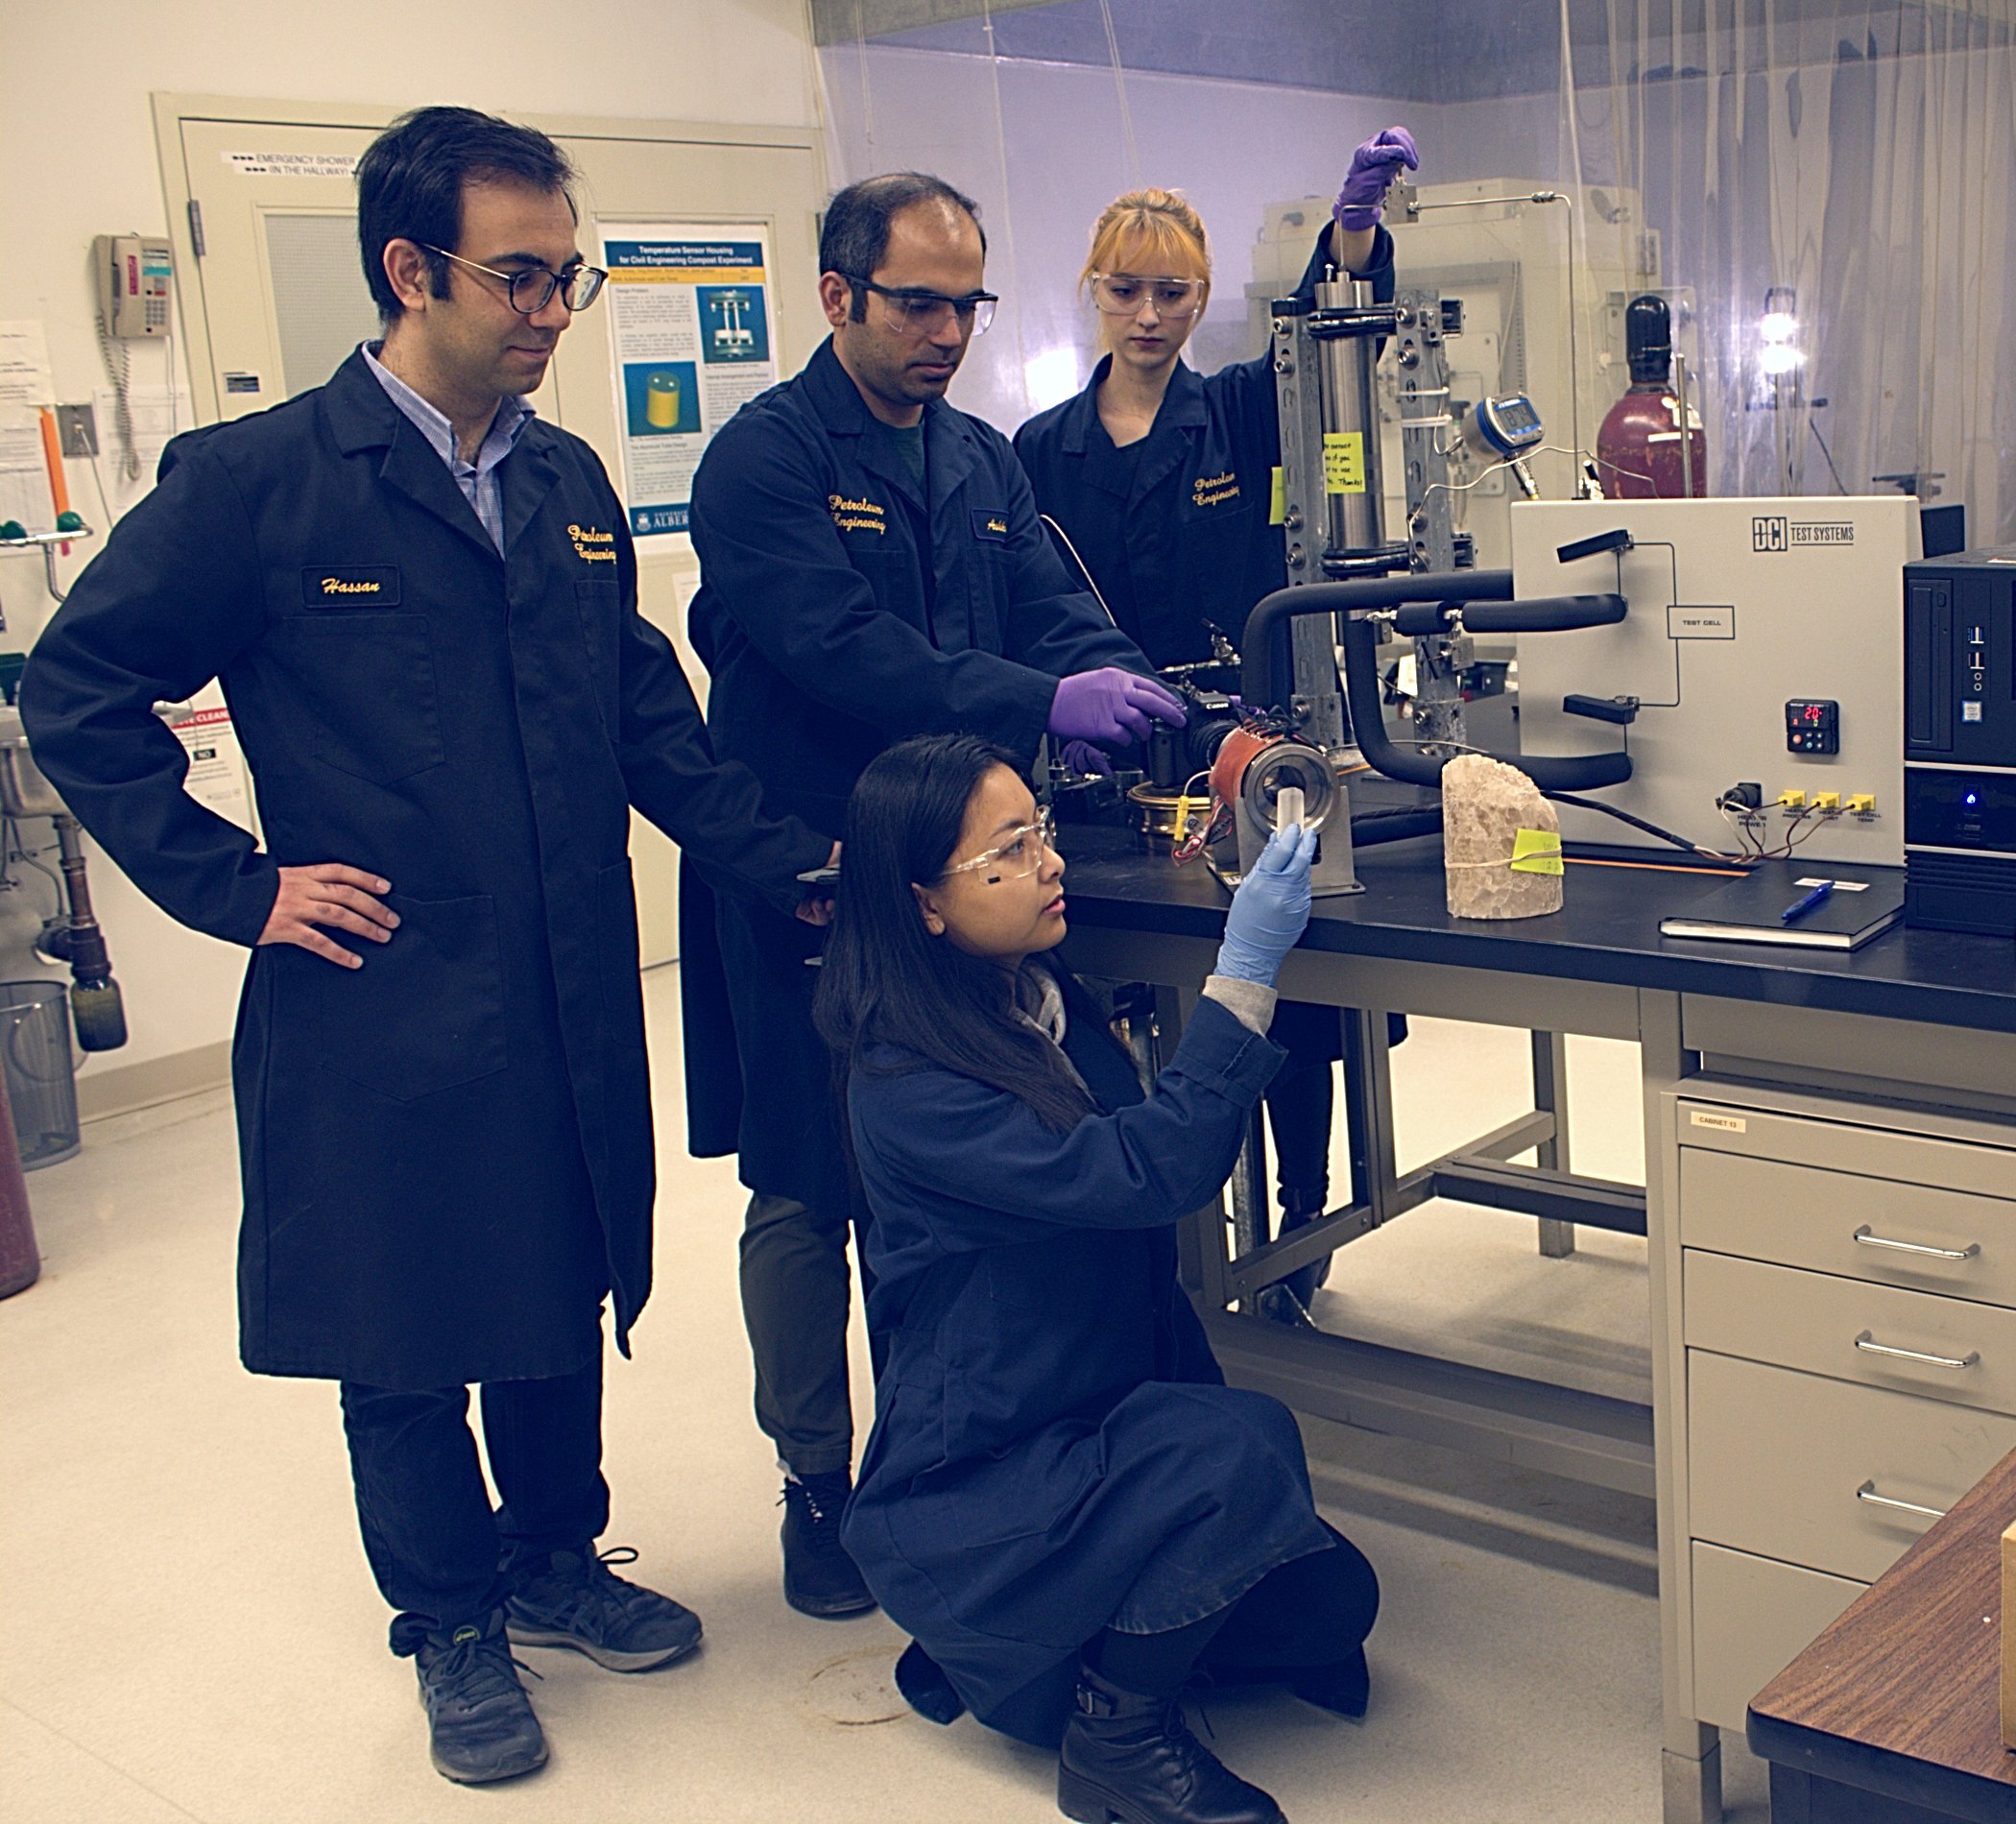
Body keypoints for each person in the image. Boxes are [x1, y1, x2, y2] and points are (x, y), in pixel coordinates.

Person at [18, 107, 836, 1787]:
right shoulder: (259, 483)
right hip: (373, 993)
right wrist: (237, 886)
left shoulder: (566, 483)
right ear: (409, 270)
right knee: (400, 1315)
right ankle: (450, 1621)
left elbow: (648, 730)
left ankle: (552, 1554)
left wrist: (795, 866)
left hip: (561, 982)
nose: (553, 310)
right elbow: (73, 690)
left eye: (569, 275)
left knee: (553, 1271)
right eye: (521, 276)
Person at [682, 172, 1185, 1622]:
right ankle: (817, 1482)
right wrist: (1041, 695)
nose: (949, 331)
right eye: (919, 303)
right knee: (808, 1178)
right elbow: (845, 650)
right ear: (836, 296)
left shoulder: (978, 462)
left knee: (958, 1161)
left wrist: (1140, 690)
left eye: (970, 302)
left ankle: (945, 1448)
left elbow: (1056, 604)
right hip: (811, 875)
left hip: (955, 884)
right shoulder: (762, 463)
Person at [816, 732, 1377, 1824]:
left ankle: (1066, 1639)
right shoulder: (908, 1084)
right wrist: (1245, 971)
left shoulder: (1030, 998)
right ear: (925, 902)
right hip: (986, 1477)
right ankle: (1112, 1735)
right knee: (1244, 1450)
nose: (1051, 863)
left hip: (1091, 1409)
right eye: (1011, 849)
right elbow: (1149, 1168)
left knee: (1334, 1604)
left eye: (1044, 833)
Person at [1012, 130, 1416, 1310]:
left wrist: (1350, 238)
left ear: (1201, 295)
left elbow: (1323, 338)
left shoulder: (1240, 413)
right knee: (1136, 997)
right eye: (1126, 290)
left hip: (1250, 748)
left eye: (1174, 291)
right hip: (1112, 776)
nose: (1149, 315)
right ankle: (1167, 1221)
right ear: (1093, 289)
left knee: (1288, 997)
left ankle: (1302, 1212)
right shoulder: (1042, 449)